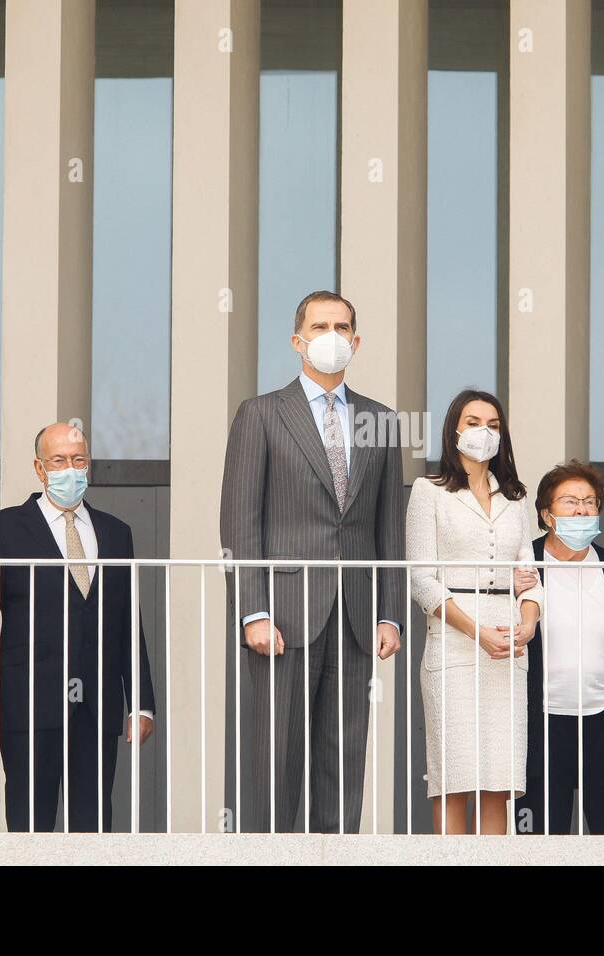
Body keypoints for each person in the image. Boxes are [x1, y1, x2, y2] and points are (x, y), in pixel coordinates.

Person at [219, 290, 406, 834]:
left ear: (356, 340)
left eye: (342, 326)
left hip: (355, 617)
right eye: (320, 325)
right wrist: (252, 609)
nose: (332, 335)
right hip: (283, 614)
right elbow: (239, 520)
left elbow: (388, 526)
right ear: (297, 339)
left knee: (343, 763)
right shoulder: (261, 414)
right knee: (276, 763)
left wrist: (390, 612)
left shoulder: (381, 420)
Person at [0, 422, 156, 832]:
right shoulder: (3, 529)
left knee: (92, 827)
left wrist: (141, 701)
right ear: (40, 470)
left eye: (78, 460)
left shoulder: (115, 532)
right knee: (29, 824)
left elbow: (128, 619)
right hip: (29, 703)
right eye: (59, 461)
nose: (70, 469)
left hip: (98, 705)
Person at [406, 390, 542, 834]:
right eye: (473, 421)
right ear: (454, 430)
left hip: (507, 646)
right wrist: (475, 629)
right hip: (454, 642)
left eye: (493, 424)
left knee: (499, 779)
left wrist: (528, 623)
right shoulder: (429, 492)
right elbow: (422, 579)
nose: (483, 431)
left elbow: (530, 574)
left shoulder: (515, 498)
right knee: (455, 777)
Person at [515, 461, 604, 835]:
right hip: (540, 720)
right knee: (542, 836)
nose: (582, 510)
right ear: (546, 513)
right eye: (570, 501)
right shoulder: (523, 564)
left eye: (590, 502)